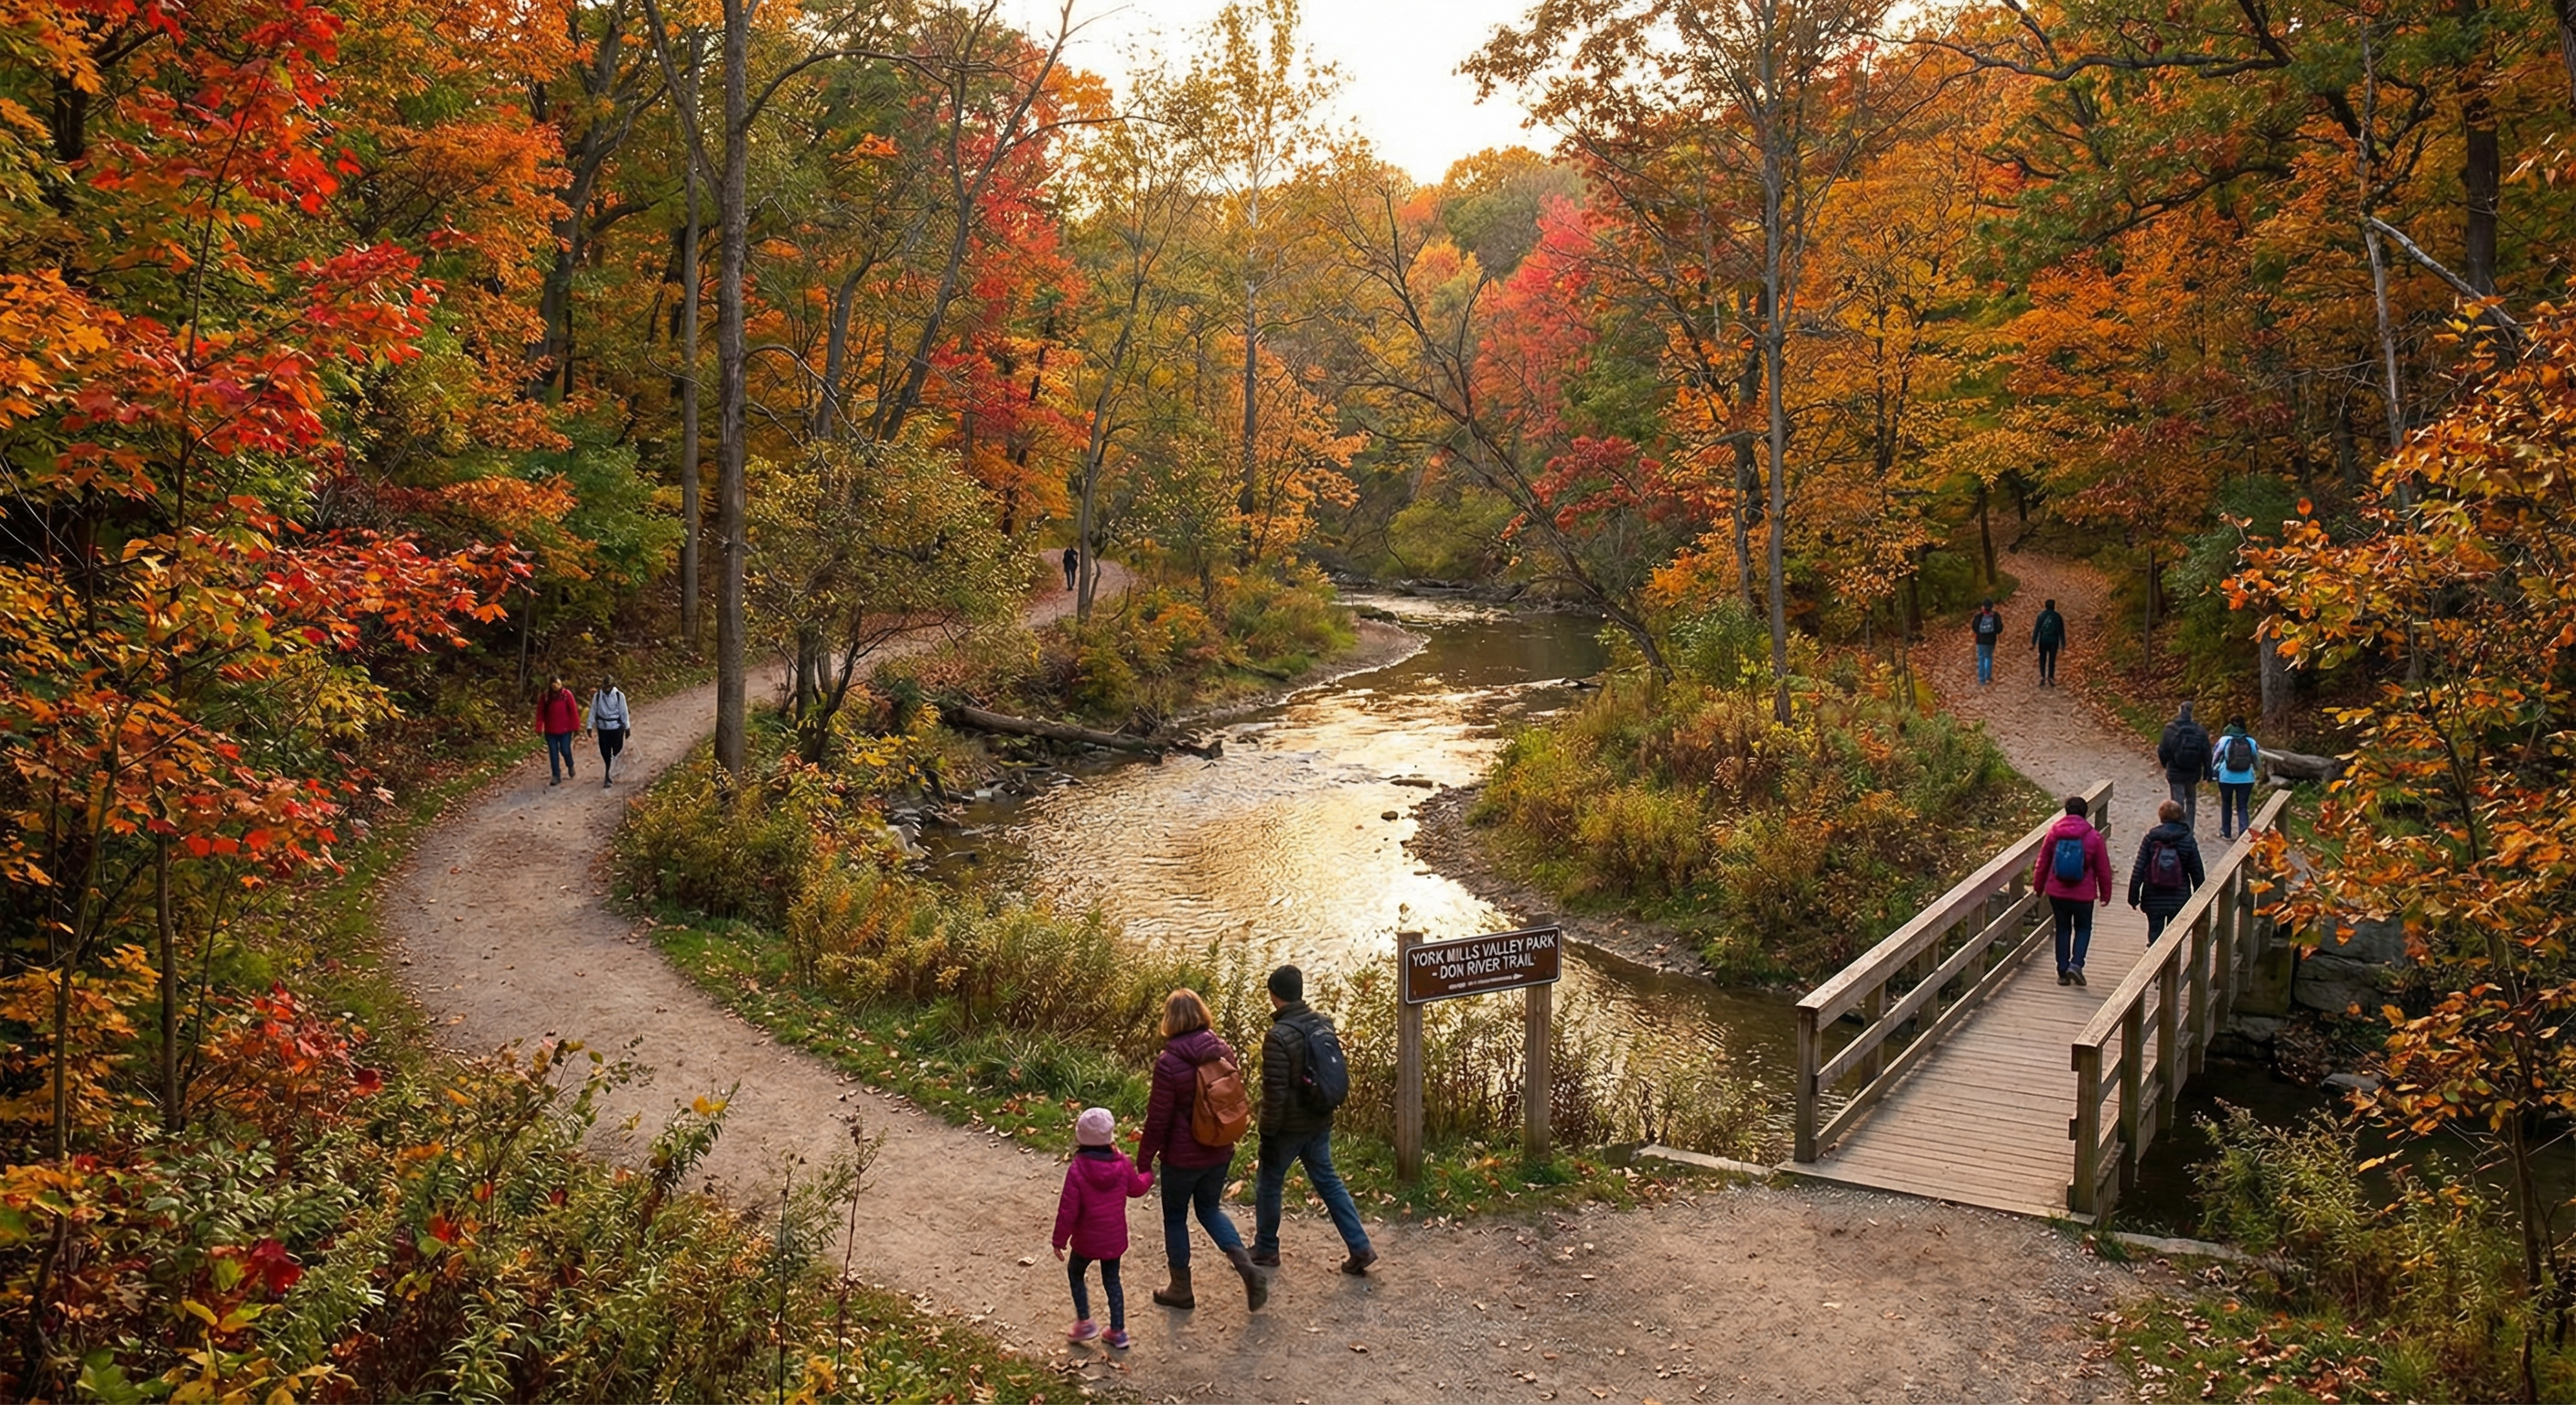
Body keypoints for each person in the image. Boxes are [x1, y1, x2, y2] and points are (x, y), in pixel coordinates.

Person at [1136, 988, 1266, 1313]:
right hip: (1220, 1146)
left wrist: (1143, 1160)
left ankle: (1181, 1289)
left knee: (1176, 1217)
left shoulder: (1169, 1062)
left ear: (1170, 1019)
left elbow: (1158, 1118)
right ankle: (1247, 1268)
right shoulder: (1223, 1050)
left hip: (1182, 1158)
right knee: (1209, 1210)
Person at [1250, 965, 1376, 1277]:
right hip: (1320, 1119)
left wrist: (1266, 1133)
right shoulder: (1322, 1023)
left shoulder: (1277, 1036)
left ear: (1273, 994)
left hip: (1289, 1128)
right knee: (1329, 1182)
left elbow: (1275, 1093)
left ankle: (1266, 1248)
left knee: (1269, 1182)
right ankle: (1360, 1246)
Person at [1054, 1106, 1151, 1350]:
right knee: (1112, 1280)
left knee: (1076, 1273)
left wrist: (1059, 1240)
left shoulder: (1077, 1168)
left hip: (1086, 1240)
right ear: (1111, 1136)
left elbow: (1068, 1209)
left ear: (1080, 1138)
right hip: (1113, 1239)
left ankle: (1085, 1321)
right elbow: (1136, 1189)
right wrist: (1148, 1175)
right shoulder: (1123, 1163)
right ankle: (1118, 1331)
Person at [2032, 794, 2112, 986]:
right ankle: (2076, 964)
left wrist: (2038, 886)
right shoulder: (2093, 837)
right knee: (2083, 928)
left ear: (2066, 811)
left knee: (2063, 928)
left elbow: (2043, 862)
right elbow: (2103, 869)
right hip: (2083, 895)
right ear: (2086, 814)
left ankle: (2062, 971)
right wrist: (2105, 893)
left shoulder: (2054, 832)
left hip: (2058, 892)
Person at [2128, 799, 2206, 943]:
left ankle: (2153, 960)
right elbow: (2197, 871)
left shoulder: (2151, 838)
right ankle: (2173, 962)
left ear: (2161, 817)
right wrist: (2200, 898)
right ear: (2181, 816)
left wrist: (2133, 896)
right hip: (2178, 896)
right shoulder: (2187, 839)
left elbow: (2138, 869)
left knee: (2154, 933)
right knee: (2174, 938)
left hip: (2153, 896)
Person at [2156, 701, 2214, 831]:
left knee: (2177, 802)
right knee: (2191, 801)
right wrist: (2207, 772)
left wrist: (2166, 764)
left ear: (2180, 710)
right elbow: (2206, 752)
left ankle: (2177, 829)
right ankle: (2189, 829)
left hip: (2175, 771)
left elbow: (2162, 750)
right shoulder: (2200, 730)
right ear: (2191, 712)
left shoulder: (2170, 729)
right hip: (2193, 772)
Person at [2210, 716, 2262, 840]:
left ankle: (2226, 831)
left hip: (2226, 777)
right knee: (2242, 805)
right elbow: (2256, 760)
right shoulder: (2250, 741)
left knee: (2226, 803)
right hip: (2246, 778)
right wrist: (2260, 773)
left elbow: (2216, 755)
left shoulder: (2224, 740)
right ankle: (2243, 833)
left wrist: (2211, 770)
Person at [534, 676, 581, 787]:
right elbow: (540, 713)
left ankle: (570, 765)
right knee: (553, 753)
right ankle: (556, 775)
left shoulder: (566, 695)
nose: (556, 686)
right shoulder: (545, 697)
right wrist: (539, 727)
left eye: (558, 684)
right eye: (554, 684)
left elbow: (573, 711)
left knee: (565, 750)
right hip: (551, 731)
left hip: (565, 730)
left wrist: (576, 726)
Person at [587, 676, 631, 789]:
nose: (607, 689)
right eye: (605, 686)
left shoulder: (619, 696)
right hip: (602, 728)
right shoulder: (597, 696)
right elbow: (593, 710)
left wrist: (627, 727)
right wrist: (589, 726)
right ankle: (608, 773)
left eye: (609, 686)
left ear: (612, 686)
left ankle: (613, 771)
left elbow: (624, 712)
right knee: (605, 752)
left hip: (616, 727)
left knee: (616, 750)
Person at [2032, 598, 2066, 688]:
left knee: (2042, 658)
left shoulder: (2041, 616)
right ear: (2054, 606)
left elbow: (2037, 630)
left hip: (2043, 639)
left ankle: (2042, 676)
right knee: (2052, 659)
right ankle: (2051, 677)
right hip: (2054, 640)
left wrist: (2033, 642)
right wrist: (2063, 643)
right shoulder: (2057, 616)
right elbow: (2061, 631)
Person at [1970, 600, 2004, 685]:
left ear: (1983, 607)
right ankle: (1988, 676)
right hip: (1991, 640)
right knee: (1988, 657)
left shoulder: (1978, 616)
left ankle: (1982, 680)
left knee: (1981, 658)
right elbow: (1999, 629)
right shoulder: (1995, 616)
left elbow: (1974, 627)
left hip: (1980, 640)